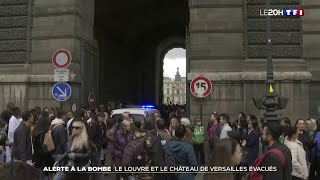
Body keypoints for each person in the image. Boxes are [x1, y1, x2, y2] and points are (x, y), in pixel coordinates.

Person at [32, 112, 54, 180]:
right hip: (43, 161)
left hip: (37, 160)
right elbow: (42, 149)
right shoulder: (42, 135)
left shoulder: (35, 132)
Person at [50, 111, 68, 180]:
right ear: (63, 116)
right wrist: (66, 151)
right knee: (60, 172)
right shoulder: (60, 127)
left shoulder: (53, 124)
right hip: (59, 152)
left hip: (54, 151)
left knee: (56, 172)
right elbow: (63, 141)